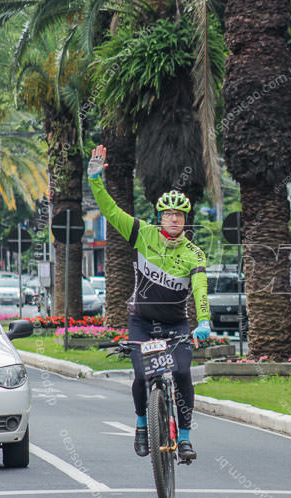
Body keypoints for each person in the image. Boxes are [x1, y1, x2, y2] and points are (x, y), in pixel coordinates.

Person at [87, 145, 211, 461]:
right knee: (142, 376)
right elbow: (111, 212)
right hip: (142, 322)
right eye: (168, 214)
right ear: (160, 216)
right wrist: (95, 179)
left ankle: (184, 438)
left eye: (179, 215)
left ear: (185, 219)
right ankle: (142, 425)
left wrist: (204, 322)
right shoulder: (143, 234)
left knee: (183, 374)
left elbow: (200, 289)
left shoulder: (194, 253)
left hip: (175, 325)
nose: (173, 219)